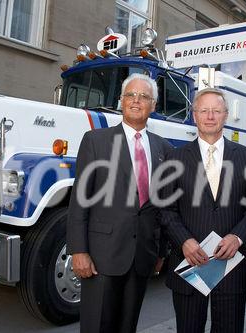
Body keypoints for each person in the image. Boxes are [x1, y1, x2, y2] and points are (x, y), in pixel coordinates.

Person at [66, 73, 171, 333]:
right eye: (131, 95)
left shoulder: (164, 148)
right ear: (121, 101)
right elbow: (80, 199)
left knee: (128, 326)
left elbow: (163, 206)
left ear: (153, 106)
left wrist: (161, 252)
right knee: (97, 325)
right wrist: (78, 250)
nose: (136, 101)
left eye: (144, 96)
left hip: (142, 256)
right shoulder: (96, 141)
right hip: (102, 255)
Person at [161, 88, 246, 332]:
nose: (210, 116)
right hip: (189, 265)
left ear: (226, 115)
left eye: (216, 111)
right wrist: (184, 241)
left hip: (231, 268)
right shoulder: (174, 158)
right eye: (204, 111)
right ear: (194, 115)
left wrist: (238, 237)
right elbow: (165, 209)